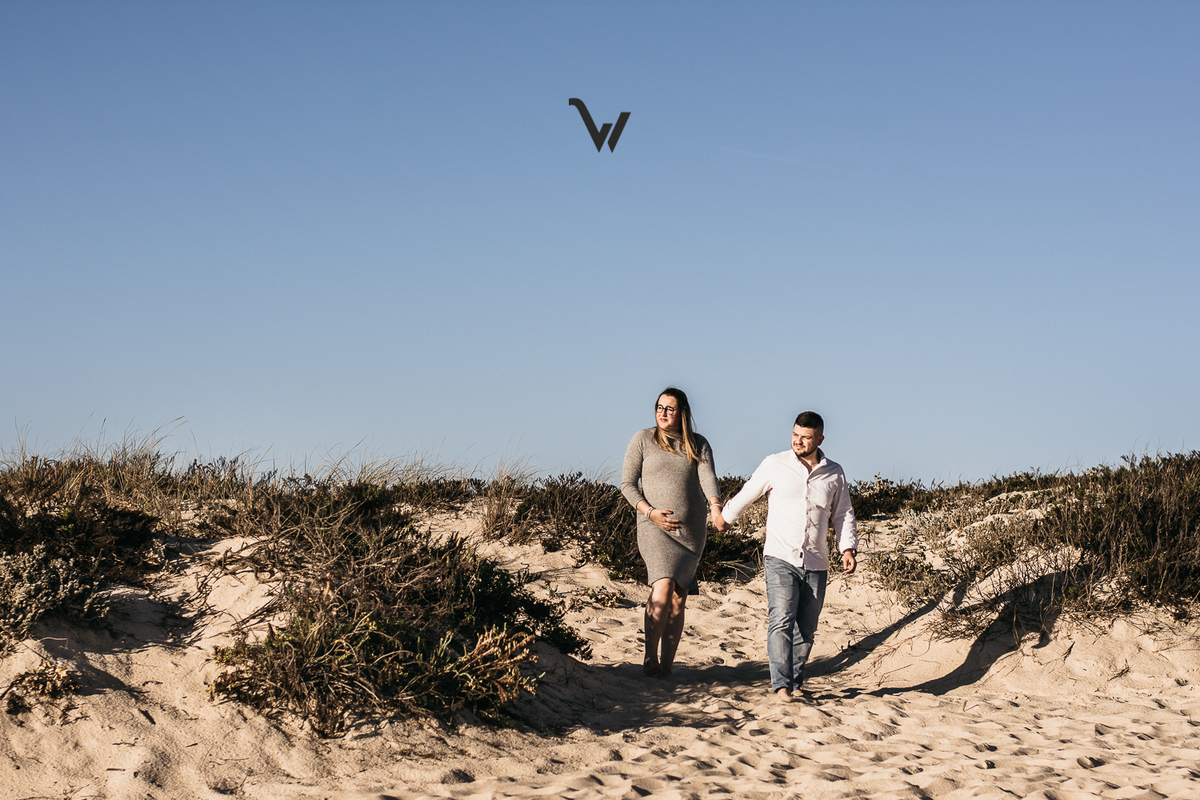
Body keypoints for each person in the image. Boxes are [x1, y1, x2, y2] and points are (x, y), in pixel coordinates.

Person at [716, 411, 857, 702]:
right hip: (780, 556)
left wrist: (848, 548)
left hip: (816, 561)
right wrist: (726, 517)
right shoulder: (775, 463)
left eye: (805, 437)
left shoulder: (834, 472)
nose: (798, 441)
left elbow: (843, 513)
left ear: (820, 438)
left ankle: (795, 683)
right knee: (781, 618)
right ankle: (781, 686)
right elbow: (748, 492)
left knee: (806, 628)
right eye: (795, 434)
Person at [621, 387, 726, 677]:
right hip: (653, 526)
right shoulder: (642, 439)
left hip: (690, 532)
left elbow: (708, 477)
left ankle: (666, 666)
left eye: (670, 408)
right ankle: (649, 657)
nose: (663, 413)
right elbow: (627, 484)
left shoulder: (698, 443)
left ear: (682, 413)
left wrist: (716, 507)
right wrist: (650, 512)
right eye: (659, 407)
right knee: (663, 586)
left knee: (679, 599)